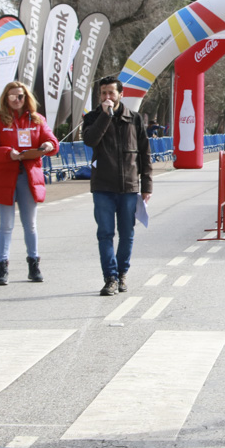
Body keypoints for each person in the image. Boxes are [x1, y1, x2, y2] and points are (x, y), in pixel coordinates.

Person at [0, 82, 58, 285]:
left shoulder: (37, 119)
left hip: (29, 176)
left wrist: (48, 145)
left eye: (20, 96)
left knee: (30, 224)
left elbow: (51, 140)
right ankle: (2, 266)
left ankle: (34, 264)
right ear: (6, 98)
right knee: (6, 224)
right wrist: (8, 153)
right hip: (5, 175)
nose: (17, 100)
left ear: (27, 98)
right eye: (13, 96)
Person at [83, 76, 153, 296]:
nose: (107, 97)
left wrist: (147, 185)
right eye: (103, 93)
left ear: (121, 94)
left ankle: (122, 273)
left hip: (129, 186)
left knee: (127, 233)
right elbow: (90, 140)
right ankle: (110, 277)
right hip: (103, 186)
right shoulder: (93, 117)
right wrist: (104, 116)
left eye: (111, 93)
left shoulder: (134, 119)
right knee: (105, 233)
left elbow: (145, 153)